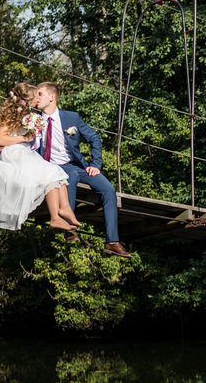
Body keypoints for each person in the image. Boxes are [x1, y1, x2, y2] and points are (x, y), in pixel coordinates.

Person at [31, 81, 132, 257]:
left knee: (108, 190)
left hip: (77, 166)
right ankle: (68, 227)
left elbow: (94, 138)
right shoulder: (33, 118)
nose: (36, 98)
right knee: (68, 174)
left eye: (39, 94)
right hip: (50, 167)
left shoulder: (71, 118)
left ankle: (112, 241)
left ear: (52, 97)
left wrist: (95, 165)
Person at [0, 83, 83, 232]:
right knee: (50, 174)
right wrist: (24, 139)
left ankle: (63, 210)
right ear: (28, 99)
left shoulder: (29, 114)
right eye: (36, 96)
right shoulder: (14, 113)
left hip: (24, 151)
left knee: (57, 173)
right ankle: (57, 216)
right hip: (14, 153)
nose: (38, 99)